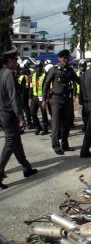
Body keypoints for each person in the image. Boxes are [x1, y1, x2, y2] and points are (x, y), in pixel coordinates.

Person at [0, 47, 38, 189]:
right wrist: (21, 117)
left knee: (16, 141)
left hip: (3, 113)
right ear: (9, 60)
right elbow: (13, 97)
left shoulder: (1, 72)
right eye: (15, 59)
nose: (17, 61)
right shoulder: (9, 74)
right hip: (9, 114)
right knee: (10, 142)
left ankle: (26, 167)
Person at [43, 49, 80, 155]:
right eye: (63, 58)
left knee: (66, 123)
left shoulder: (70, 70)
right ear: (59, 58)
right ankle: (56, 145)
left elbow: (77, 80)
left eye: (67, 58)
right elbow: (46, 83)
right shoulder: (54, 69)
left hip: (66, 100)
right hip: (56, 99)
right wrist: (44, 98)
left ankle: (65, 144)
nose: (65, 60)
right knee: (55, 123)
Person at [29, 60, 49, 135]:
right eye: (36, 68)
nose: (37, 69)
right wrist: (30, 98)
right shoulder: (33, 75)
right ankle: (38, 127)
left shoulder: (45, 75)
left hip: (42, 97)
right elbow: (31, 87)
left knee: (43, 113)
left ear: (41, 67)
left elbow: (47, 87)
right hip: (34, 97)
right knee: (32, 113)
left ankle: (45, 128)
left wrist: (46, 98)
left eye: (39, 68)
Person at [17, 60, 34, 129]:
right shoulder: (26, 76)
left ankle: (27, 122)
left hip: (22, 94)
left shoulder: (23, 75)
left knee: (24, 109)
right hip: (24, 94)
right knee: (26, 109)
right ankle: (29, 123)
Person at [76, 59, 88, 131]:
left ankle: (88, 124)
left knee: (87, 109)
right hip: (80, 93)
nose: (82, 67)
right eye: (81, 66)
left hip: (87, 93)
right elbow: (74, 84)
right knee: (83, 110)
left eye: (83, 66)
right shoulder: (77, 73)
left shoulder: (88, 73)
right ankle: (85, 123)